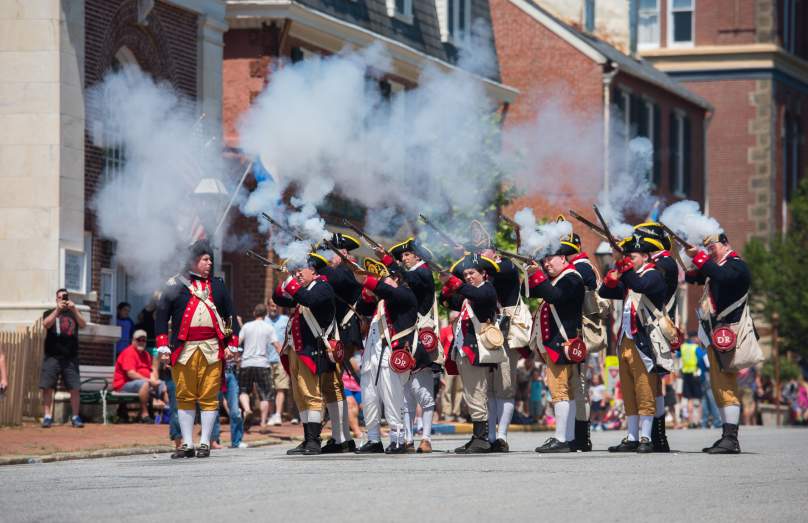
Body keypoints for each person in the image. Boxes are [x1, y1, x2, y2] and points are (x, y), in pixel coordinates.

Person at [156, 240, 240, 459]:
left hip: (212, 348)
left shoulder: (218, 285)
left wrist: (231, 343)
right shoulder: (174, 285)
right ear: (193, 262)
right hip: (184, 350)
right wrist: (163, 345)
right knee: (184, 395)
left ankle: (204, 443)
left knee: (210, 396)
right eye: (205, 259)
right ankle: (187, 443)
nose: (209, 263)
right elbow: (162, 316)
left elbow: (229, 316)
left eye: (210, 259)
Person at [598, 234, 668, 453]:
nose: (629, 259)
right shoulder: (631, 276)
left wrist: (623, 264)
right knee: (628, 390)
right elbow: (604, 291)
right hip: (626, 340)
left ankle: (647, 437)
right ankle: (632, 436)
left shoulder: (654, 275)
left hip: (644, 340)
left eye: (633, 256)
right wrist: (613, 273)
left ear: (645, 256)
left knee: (644, 387)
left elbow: (638, 285)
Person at [686, 232, 751, 454]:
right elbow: (690, 277)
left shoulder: (736, 265)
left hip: (730, 331)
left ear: (725, 244)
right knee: (718, 385)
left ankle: (731, 438)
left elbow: (722, 277)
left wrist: (701, 258)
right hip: (717, 332)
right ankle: (726, 435)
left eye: (712, 247)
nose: (710, 251)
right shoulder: (717, 266)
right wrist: (686, 255)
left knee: (726, 385)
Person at [379, 237, 441, 453]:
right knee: (405, 394)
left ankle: (426, 438)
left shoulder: (422, 271)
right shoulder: (412, 274)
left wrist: (388, 261)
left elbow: (409, 278)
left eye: (407, 254)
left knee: (423, 392)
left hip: (420, 336)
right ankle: (407, 438)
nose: (403, 258)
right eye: (402, 255)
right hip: (406, 336)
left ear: (418, 255)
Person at [273, 252, 337, 456]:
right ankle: (307, 438)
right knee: (300, 395)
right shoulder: (301, 290)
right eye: (295, 270)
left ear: (313, 270)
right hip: (296, 349)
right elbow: (278, 298)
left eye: (301, 269)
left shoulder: (322, 287)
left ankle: (314, 440)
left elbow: (308, 300)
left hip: (312, 349)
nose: (298, 273)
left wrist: (289, 281)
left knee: (312, 394)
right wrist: (283, 279)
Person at [354, 259, 418, 454]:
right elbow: (362, 308)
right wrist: (367, 292)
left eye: (384, 278)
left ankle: (398, 439)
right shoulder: (381, 301)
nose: (381, 282)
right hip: (371, 357)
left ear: (396, 278)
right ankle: (373, 439)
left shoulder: (405, 294)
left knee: (393, 399)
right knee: (369, 399)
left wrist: (368, 281)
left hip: (390, 355)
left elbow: (390, 292)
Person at [527, 242, 585, 453]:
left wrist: (538, 275)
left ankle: (561, 438)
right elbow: (532, 292)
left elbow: (554, 297)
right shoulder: (559, 278)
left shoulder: (571, 278)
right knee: (562, 391)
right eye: (544, 259)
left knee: (559, 391)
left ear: (563, 258)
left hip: (563, 341)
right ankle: (566, 437)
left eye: (550, 258)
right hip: (557, 342)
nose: (546, 263)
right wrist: (532, 272)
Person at [441, 253, 500, 454]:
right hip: (464, 351)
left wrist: (455, 283)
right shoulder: (469, 295)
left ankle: (481, 438)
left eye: (472, 273)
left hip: (476, 351)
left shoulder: (487, 289)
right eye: (465, 274)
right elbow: (448, 302)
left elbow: (480, 297)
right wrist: (447, 288)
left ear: (484, 274)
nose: (468, 277)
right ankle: (477, 437)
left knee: (476, 394)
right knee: (470, 394)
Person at [634, 222, 680, 450]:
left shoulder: (664, 263)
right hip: (650, 326)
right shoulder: (658, 262)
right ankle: (658, 436)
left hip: (656, 326)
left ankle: (657, 436)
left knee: (653, 383)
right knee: (655, 384)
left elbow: (645, 283)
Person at [478, 238, 526, 452]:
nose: (479, 253)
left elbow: (500, 271)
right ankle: (489, 435)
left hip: (506, 332)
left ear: (494, 251)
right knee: (488, 385)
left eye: (483, 250)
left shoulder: (506, 266)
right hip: (487, 331)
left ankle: (502, 435)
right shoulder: (482, 270)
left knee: (505, 385)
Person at [319, 234, 364, 453]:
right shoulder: (334, 271)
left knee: (335, 388)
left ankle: (342, 437)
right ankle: (340, 435)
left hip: (344, 336)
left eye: (332, 252)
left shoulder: (346, 272)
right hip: (334, 336)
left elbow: (331, 279)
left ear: (343, 253)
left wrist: (316, 265)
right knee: (332, 388)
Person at [40, 288, 87, 428]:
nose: (62, 299)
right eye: (60, 297)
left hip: (70, 357)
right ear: (56, 299)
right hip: (52, 356)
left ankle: (75, 416)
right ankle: (48, 416)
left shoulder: (74, 313)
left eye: (64, 297)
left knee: (74, 388)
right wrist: (57, 311)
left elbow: (83, 324)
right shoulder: (49, 312)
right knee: (48, 386)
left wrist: (74, 309)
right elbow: (46, 324)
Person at [238, 304, 281, 430]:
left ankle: (246, 409)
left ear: (254, 313)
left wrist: (236, 356)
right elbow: (277, 345)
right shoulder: (268, 328)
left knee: (244, 390)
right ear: (265, 314)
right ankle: (263, 422)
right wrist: (285, 358)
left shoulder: (246, 326)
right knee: (265, 394)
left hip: (246, 363)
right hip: (262, 363)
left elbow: (238, 342)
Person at [113, 329, 167, 422]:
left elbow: (151, 371)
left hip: (142, 382)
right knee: (144, 384)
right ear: (133, 341)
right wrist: (149, 381)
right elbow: (131, 374)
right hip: (123, 385)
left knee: (163, 385)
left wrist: (154, 380)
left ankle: (169, 413)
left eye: (143, 340)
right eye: (139, 340)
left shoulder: (145, 354)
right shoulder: (129, 352)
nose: (141, 342)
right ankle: (144, 414)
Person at [265, 299, 290, 425]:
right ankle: (270, 415)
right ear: (268, 306)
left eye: (276, 306)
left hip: (280, 359)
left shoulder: (285, 320)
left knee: (280, 387)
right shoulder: (264, 321)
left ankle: (278, 414)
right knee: (269, 389)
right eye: (272, 306)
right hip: (266, 360)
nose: (274, 308)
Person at [439, 312, 463, 422]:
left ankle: (456, 412)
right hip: (448, 363)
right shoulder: (445, 330)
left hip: (460, 363)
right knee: (447, 388)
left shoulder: (461, 330)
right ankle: (447, 412)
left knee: (459, 389)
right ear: (451, 319)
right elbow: (441, 346)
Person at [680, 338, 702, 428]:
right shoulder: (695, 347)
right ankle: (697, 421)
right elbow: (701, 358)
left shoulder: (683, 347)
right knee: (698, 399)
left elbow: (677, 356)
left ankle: (690, 421)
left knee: (689, 399)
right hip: (695, 374)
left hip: (686, 375)